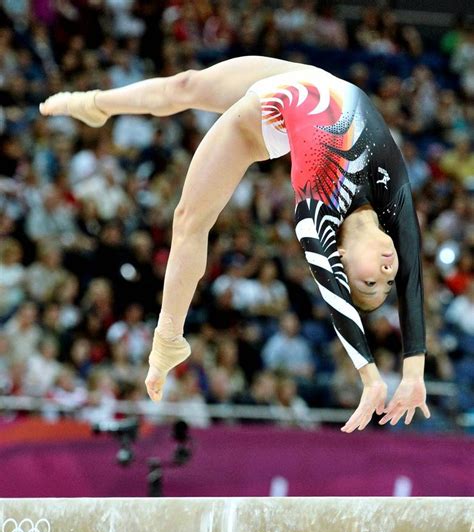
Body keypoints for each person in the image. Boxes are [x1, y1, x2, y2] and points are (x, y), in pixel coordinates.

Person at [39, 55, 431, 432]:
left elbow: (332, 293)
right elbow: (412, 278)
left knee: (189, 221)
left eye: (369, 285)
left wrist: (369, 376)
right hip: (304, 79)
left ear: (338, 257)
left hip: (261, 118)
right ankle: (97, 104)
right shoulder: (390, 195)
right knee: (185, 85)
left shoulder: (317, 210)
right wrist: (413, 373)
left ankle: (167, 340)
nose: (386, 274)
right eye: (385, 283)